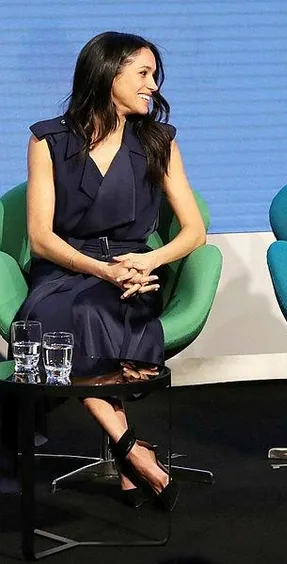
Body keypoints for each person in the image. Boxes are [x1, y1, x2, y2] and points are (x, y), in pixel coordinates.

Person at [0, 31, 206, 509]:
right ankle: (132, 449)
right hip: (64, 268)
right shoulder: (47, 139)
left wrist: (148, 261)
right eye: (143, 73)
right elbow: (40, 238)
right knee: (65, 315)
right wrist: (99, 269)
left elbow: (194, 231)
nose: (153, 85)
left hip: (133, 269)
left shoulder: (159, 142)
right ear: (108, 73)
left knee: (81, 315)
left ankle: (129, 453)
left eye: (154, 75)